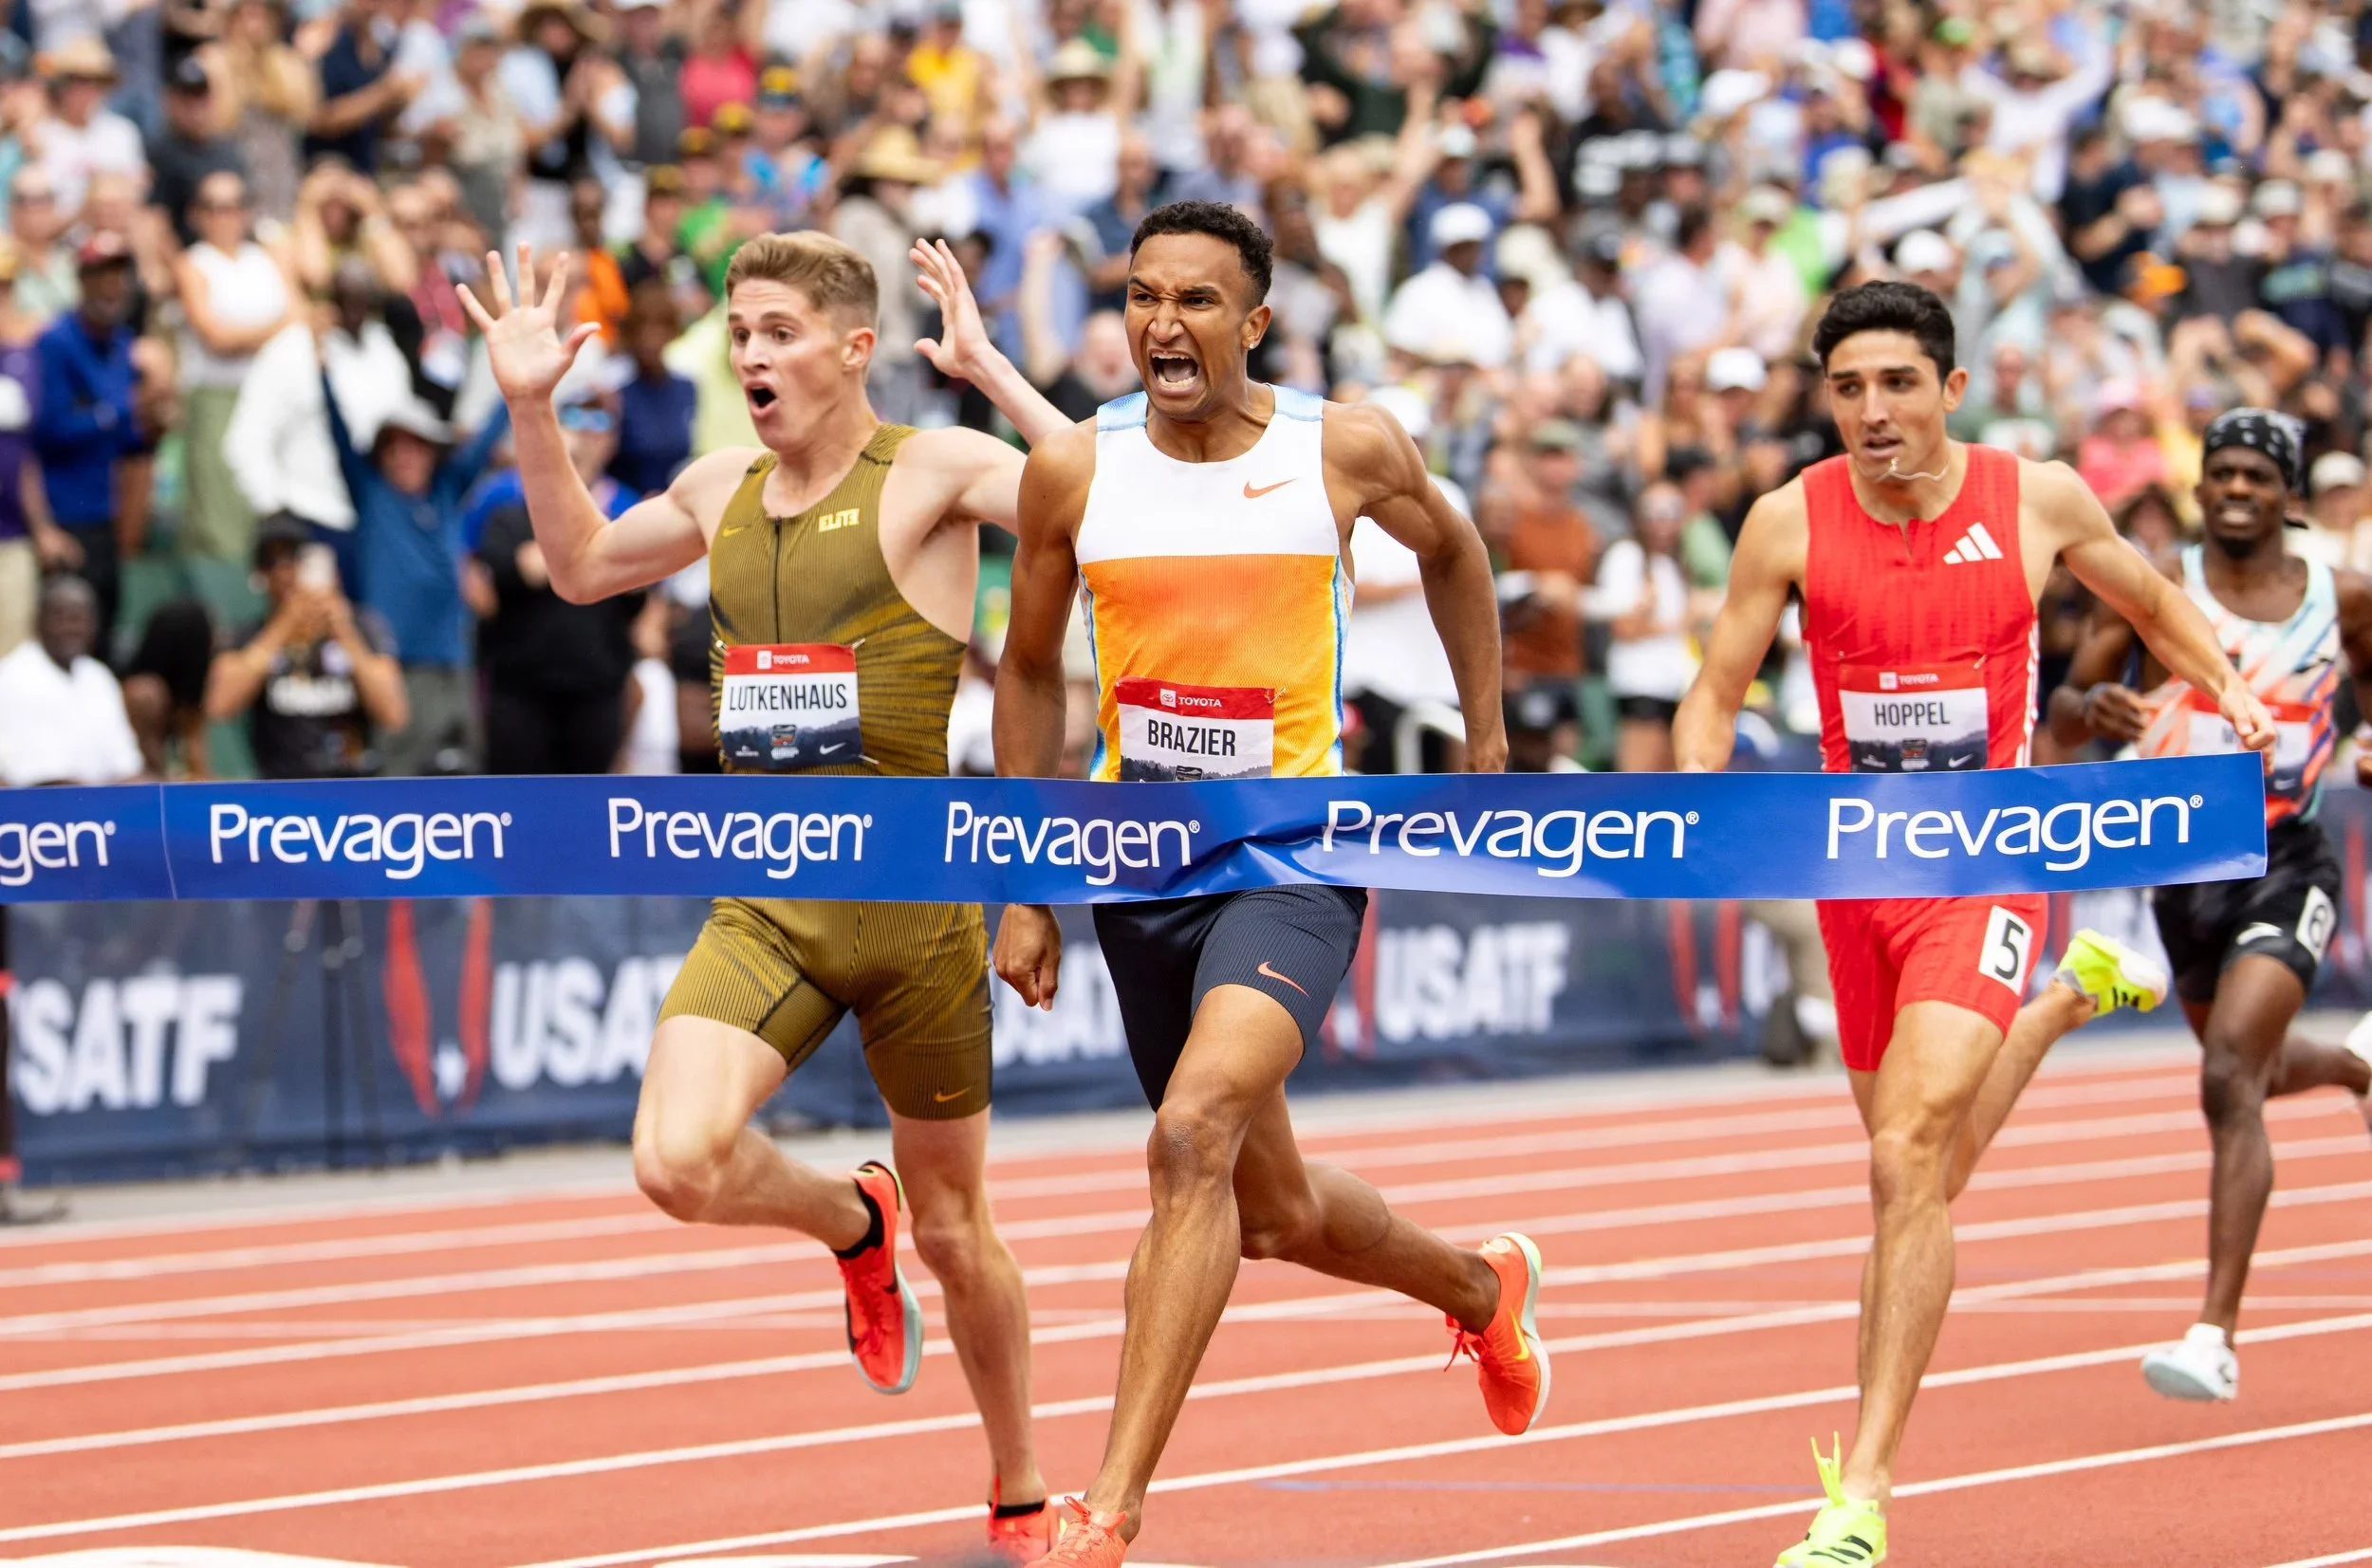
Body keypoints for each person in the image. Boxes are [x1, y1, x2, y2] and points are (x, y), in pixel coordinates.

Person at [460, 230, 1075, 1559]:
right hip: (768, 903)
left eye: (780, 331)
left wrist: (991, 373)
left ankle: (1021, 1486)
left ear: (856, 350)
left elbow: (1097, 503)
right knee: (673, 1161)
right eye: (739, 331)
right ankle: (852, 1222)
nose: (751, 355)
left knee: (964, 1236)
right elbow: (577, 567)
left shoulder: (935, 472)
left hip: (916, 915)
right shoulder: (718, 482)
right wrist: (527, 406)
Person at [1671, 281, 2265, 1568]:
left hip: (1990, 861)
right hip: (1852, 879)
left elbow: (2157, 605)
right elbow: (1715, 690)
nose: (1872, 412)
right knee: (1918, 1172)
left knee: (1907, 1157)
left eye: (1896, 384)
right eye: (1847, 389)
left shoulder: (2035, 497)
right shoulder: (1787, 519)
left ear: (1949, 389)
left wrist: (2229, 693)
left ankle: (1861, 1494)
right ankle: (2066, 998)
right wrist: (1700, 803)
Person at [988, 201, 1544, 1568]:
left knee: (1190, 1139)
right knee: (1270, 1207)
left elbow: (1457, 551)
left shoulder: (1340, 447)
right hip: (1141, 865)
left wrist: (1485, 734)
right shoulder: (1071, 468)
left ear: (1256, 322)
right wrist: (1022, 878)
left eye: (1195, 301)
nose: (1163, 325)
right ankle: (1482, 1283)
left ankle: (1106, 1507)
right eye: (1143, 297)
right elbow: (1023, 671)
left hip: (1300, 856)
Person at [2047, 409, 2372, 1403]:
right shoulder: (2156, 587)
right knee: (2253, 1075)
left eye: (2254, 478)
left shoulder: (2342, 597)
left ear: (2288, 498)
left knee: (2228, 1077)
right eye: (2220, 475)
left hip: (2287, 858)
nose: (2235, 491)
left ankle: (2212, 1334)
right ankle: (2358, 1063)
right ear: (2200, 490)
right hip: (2179, 867)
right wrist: (2090, 710)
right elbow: (2064, 707)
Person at [204, 514, 408, 778]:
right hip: (281, 788)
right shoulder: (250, 635)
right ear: (261, 574)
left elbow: (394, 714)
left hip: (353, 783)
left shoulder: (363, 627)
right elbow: (219, 705)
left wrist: (343, 631)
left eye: (296, 560)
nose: (287, 573)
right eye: (274, 563)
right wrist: (284, 626)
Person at [0, 574, 139, 785]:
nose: (70, 628)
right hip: (34, 809)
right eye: (60, 618)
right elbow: (15, 777)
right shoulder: (10, 676)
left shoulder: (100, 677)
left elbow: (126, 767)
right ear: (38, 621)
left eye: (79, 618)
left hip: (103, 808)